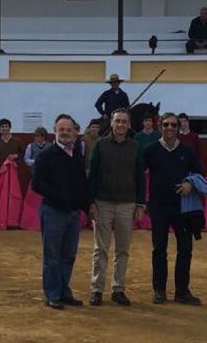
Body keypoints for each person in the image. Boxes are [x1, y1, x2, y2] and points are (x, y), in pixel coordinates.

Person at [87, 108, 145, 307]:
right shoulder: (100, 145)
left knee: (122, 249)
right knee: (100, 248)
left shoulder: (136, 147)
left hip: (127, 204)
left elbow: (140, 177)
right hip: (103, 202)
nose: (120, 125)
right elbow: (92, 175)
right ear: (111, 123)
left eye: (124, 121)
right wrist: (91, 202)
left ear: (129, 124)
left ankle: (118, 289)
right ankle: (97, 289)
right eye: (117, 121)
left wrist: (140, 203)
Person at [143, 112, 203, 305]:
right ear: (160, 126)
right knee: (159, 248)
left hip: (182, 207)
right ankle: (159, 290)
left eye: (173, 125)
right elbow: (138, 174)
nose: (170, 128)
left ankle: (182, 291)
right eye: (166, 124)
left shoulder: (187, 150)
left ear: (179, 128)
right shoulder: (150, 150)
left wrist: (190, 185)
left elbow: (199, 173)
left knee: (185, 249)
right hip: (159, 206)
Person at [32, 114, 89, 310]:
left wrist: (86, 206)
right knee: (53, 255)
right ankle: (53, 294)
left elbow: (82, 184)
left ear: (74, 132)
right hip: (53, 211)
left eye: (68, 129)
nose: (65, 132)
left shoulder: (77, 157)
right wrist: (60, 196)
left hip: (73, 214)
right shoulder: (46, 155)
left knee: (68, 255)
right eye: (61, 129)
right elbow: (36, 185)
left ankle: (64, 291)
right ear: (54, 131)